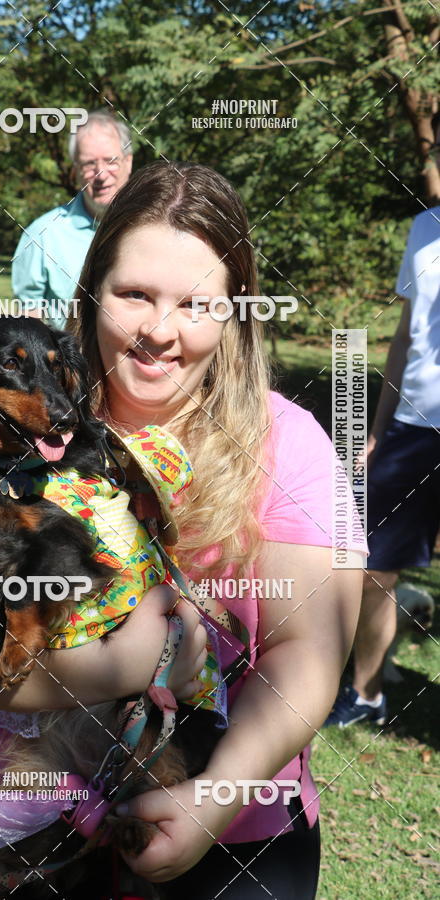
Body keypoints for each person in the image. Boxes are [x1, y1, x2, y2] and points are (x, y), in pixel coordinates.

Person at [0, 161, 366, 899]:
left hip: (234, 827)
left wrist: (218, 794)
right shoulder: (9, 425)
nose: (160, 331)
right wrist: (123, 666)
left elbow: (308, 655)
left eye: (196, 304)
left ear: (236, 312)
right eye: (134, 295)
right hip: (32, 818)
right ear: (93, 288)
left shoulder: (291, 443)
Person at [325, 113, 440, 728]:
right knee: (373, 568)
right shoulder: (425, 229)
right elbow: (404, 336)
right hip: (416, 427)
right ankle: (366, 696)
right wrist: (376, 422)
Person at [11, 109, 133, 329]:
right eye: (89, 164)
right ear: (76, 170)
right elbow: (28, 328)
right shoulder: (41, 236)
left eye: (111, 161)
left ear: (128, 162)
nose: (101, 174)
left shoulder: (155, 227)